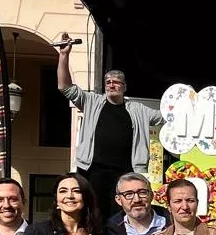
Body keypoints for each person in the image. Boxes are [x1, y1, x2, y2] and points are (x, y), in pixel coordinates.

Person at [55, 31, 162, 222]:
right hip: (93, 171)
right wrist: (64, 55)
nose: (112, 85)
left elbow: (166, 117)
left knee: (120, 218)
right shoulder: (91, 101)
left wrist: (187, 105)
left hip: (125, 173)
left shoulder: (138, 109)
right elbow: (65, 87)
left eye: (116, 82)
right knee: (91, 214)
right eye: (108, 82)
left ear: (124, 87)